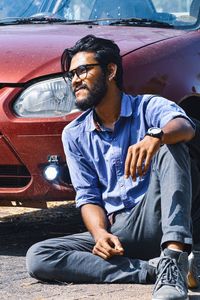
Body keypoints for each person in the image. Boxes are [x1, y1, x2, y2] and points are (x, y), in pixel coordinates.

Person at [26, 35, 199, 300]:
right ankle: (152, 270)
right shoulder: (74, 133)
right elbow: (88, 196)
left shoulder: (148, 106)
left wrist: (155, 136)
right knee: (39, 257)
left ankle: (174, 258)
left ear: (110, 70)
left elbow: (185, 126)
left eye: (83, 70)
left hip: (159, 214)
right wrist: (100, 234)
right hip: (123, 231)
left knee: (171, 145)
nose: (75, 80)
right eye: (71, 74)